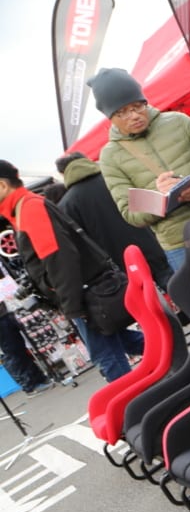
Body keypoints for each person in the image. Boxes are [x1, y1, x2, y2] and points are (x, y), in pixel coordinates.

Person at [0, 160, 143, 382]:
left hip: (85, 294)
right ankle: (178, 358)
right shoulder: (24, 208)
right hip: (87, 291)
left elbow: (60, 259)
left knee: (107, 356)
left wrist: (72, 306)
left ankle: (137, 398)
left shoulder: (29, 209)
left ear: (2, 185)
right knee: (123, 343)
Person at [90, 67, 190, 272]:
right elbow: (130, 213)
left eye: (137, 106)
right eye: (122, 112)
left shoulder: (179, 121)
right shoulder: (110, 156)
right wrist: (161, 197)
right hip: (180, 244)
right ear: (110, 117)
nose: (134, 115)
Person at [55, 152, 174, 293]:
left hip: (122, 266)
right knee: (176, 288)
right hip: (153, 246)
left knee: (149, 301)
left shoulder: (66, 206)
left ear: (63, 174)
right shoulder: (115, 180)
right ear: (87, 160)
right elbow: (153, 206)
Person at [0, 300, 51, 395]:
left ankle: (38, 379)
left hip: (5, 315)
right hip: (3, 322)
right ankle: (30, 386)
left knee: (21, 350)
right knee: (13, 354)